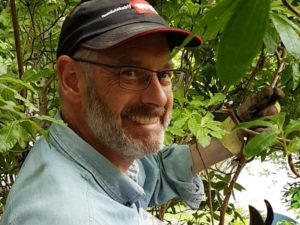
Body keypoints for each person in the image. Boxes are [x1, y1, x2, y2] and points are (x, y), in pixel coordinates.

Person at [0, 0, 282, 224]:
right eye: (130, 73)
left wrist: (232, 133)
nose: (158, 97)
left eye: (164, 74)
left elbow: (153, 171)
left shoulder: (93, 149)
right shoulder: (63, 216)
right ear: (72, 80)